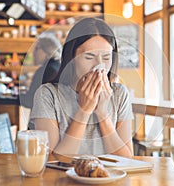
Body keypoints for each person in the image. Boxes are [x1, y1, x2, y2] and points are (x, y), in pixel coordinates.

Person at [29, 17, 134, 157]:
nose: (99, 65)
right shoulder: (47, 95)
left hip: (110, 179)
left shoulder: (120, 94)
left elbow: (127, 159)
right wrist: (83, 111)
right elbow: (52, 161)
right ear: (71, 58)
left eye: (107, 58)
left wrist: (103, 115)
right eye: (89, 57)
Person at [20, 33, 62, 108]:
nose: (33, 53)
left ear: (47, 50)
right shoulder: (57, 66)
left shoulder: (47, 70)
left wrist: (14, 98)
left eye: (36, 49)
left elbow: (33, 100)